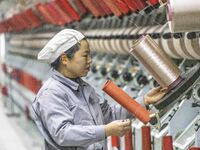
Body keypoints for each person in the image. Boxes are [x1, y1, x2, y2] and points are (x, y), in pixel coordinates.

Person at [31, 29, 167, 150]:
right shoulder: (52, 93)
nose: (90, 60)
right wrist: (106, 131)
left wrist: (144, 100)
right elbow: (63, 134)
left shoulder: (84, 88)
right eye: (85, 55)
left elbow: (109, 115)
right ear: (65, 59)